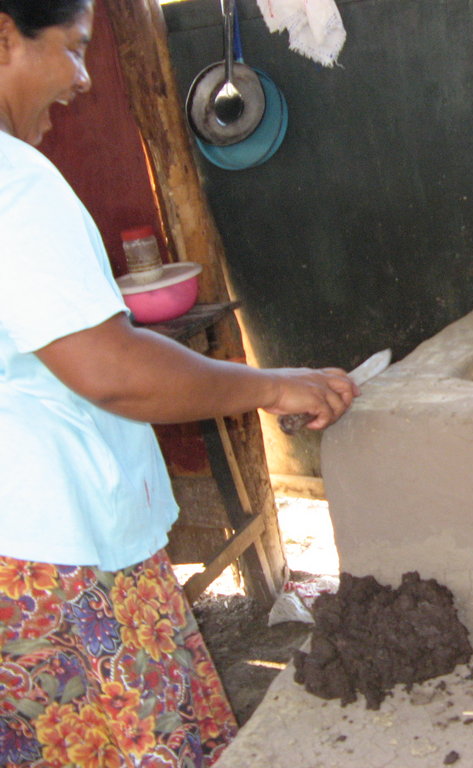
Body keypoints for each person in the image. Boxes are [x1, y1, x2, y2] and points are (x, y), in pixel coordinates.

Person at [0, 1, 359, 764]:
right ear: (4, 36)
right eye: (71, 50)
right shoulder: (15, 181)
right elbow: (112, 371)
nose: (82, 79)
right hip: (46, 552)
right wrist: (274, 385)